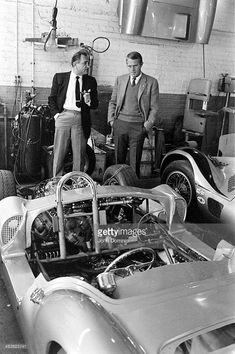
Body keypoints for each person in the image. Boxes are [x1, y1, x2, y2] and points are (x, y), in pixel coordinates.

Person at [108, 51, 160, 177]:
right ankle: (116, 188)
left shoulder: (151, 82)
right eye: (129, 66)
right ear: (127, 65)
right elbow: (113, 101)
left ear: (141, 64)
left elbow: (154, 108)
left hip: (138, 127)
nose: (132, 69)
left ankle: (132, 191)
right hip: (120, 124)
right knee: (118, 161)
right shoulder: (120, 80)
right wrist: (112, 121)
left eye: (135, 65)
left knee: (134, 163)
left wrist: (147, 126)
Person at [48, 49, 99, 177]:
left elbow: (95, 104)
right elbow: (51, 99)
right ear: (75, 63)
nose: (87, 66)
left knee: (80, 154)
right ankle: (56, 182)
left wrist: (89, 101)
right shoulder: (60, 77)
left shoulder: (91, 81)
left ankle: (78, 183)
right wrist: (56, 115)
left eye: (88, 63)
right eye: (85, 63)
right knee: (59, 152)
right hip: (63, 116)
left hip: (81, 119)